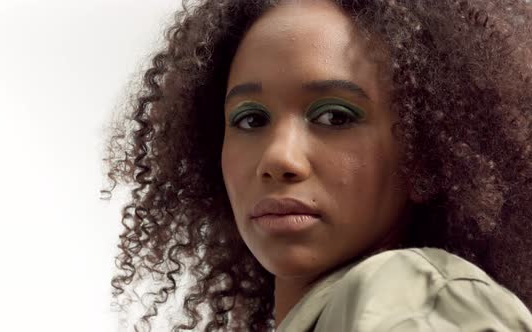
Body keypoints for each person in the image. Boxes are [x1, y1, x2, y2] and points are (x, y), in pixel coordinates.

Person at [102, 0, 532, 331]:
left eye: (335, 116)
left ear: (427, 158)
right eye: (250, 119)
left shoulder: (411, 297)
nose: (278, 158)